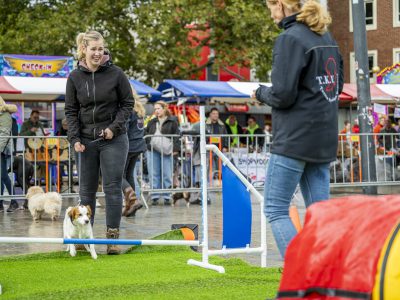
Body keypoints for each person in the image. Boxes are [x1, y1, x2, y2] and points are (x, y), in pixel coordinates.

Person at [255, 0, 343, 258]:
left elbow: (283, 96)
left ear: (280, 5)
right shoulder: (325, 35)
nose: (270, 13)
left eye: (270, 6)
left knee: (275, 208)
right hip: (323, 137)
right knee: (320, 212)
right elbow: (335, 88)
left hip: (294, 139)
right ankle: (326, 274)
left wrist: (260, 93)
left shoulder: (289, 39)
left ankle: (302, 273)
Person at [65, 30, 134, 255]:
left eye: (100, 48)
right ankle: (85, 239)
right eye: (93, 49)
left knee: (113, 187)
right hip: (85, 140)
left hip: (113, 138)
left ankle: (112, 239)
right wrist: (74, 139)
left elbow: (127, 103)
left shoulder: (116, 74)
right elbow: (71, 110)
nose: (97, 53)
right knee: (86, 191)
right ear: (84, 49)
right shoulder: (74, 77)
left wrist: (113, 129)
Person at [145, 101, 180, 206]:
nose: (156, 111)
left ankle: (167, 196)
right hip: (152, 149)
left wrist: (175, 149)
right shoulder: (152, 121)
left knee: (167, 173)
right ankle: (155, 196)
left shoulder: (173, 120)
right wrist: (148, 143)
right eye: (155, 109)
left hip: (167, 150)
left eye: (158, 108)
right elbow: (146, 132)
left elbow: (177, 135)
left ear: (164, 108)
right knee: (153, 173)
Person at [122, 90, 146, 217]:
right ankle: (131, 206)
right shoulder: (139, 108)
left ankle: (133, 201)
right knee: (129, 174)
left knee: (117, 175)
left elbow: (124, 128)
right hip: (138, 145)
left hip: (128, 145)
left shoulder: (128, 108)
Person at [0, 96, 19, 212]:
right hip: (1, 149)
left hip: (2, 149)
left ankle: (13, 201)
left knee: (3, 176)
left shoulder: (5, 115)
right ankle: (2, 203)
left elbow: (4, 134)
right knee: (1, 176)